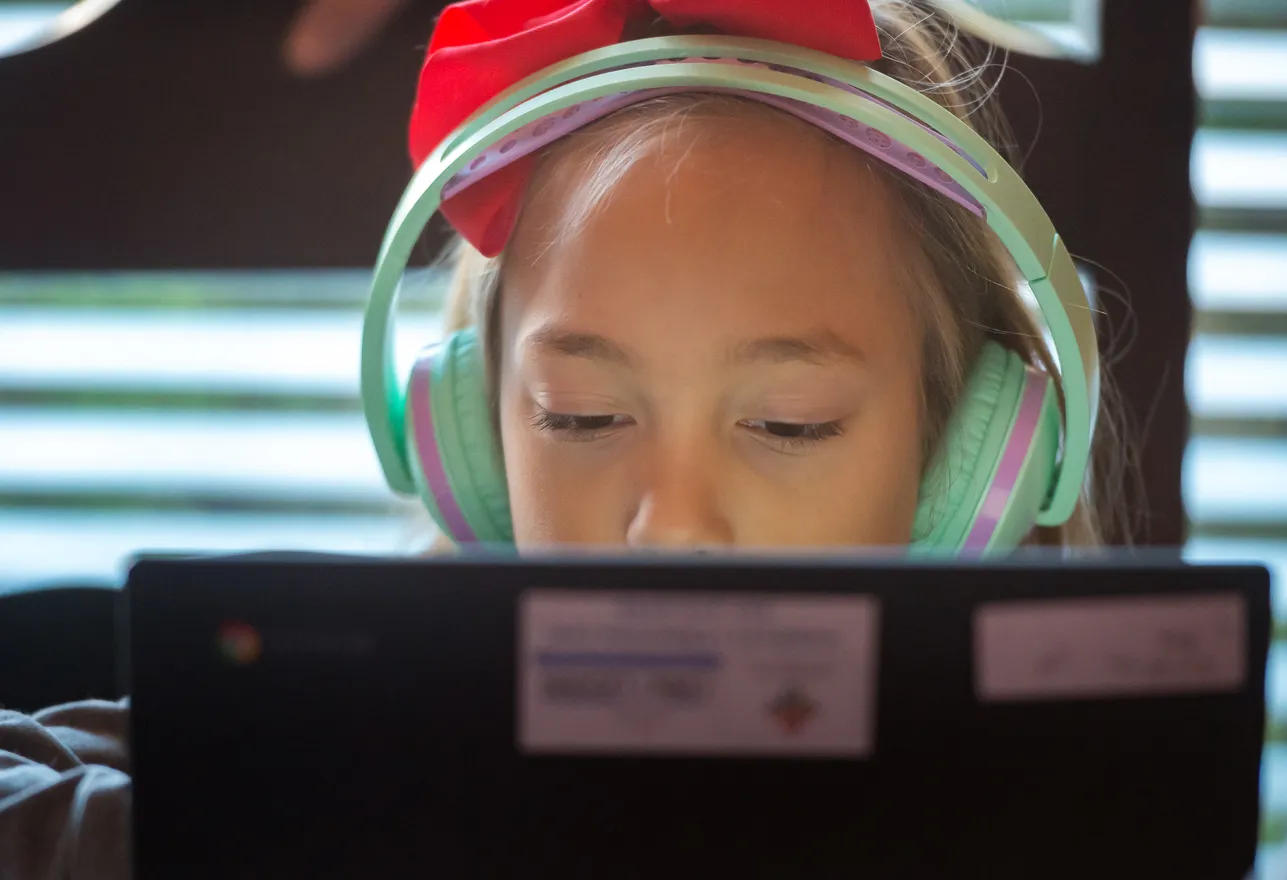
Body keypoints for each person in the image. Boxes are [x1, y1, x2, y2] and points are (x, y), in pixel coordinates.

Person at [0, 1, 1128, 876]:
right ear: (475, 448)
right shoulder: (386, 738)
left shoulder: (1049, 823)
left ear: (967, 461)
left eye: (791, 424)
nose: (670, 522)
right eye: (583, 417)